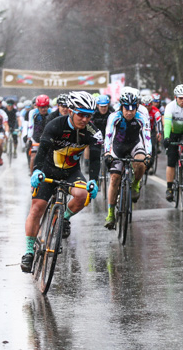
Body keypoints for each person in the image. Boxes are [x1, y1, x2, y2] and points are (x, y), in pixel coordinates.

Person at [20, 91, 102, 272]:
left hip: (71, 172)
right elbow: (41, 151)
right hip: (49, 169)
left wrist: (94, 181)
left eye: (89, 115)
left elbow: (95, 159)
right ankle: (28, 252)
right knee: (36, 208)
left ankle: (63, 219)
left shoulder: (94, 133)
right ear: (72, 111)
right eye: (81, 114)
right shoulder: (55, 125)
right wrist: (36, 171)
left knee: (82, 194)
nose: (85, 119)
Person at [102, 90, 150, 229]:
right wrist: (107, 153)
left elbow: (147, 138)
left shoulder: (142, 117)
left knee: (141, 163)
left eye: (132, 109)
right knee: (115, 178)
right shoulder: (114, 116)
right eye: (126, 109)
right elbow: (108, 136)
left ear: (137, 108)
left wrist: (149, 155)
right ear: (121, 107)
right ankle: (110, 214)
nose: (129, 113)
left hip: (135, 144)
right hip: (118, 147)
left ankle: (135, 183)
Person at [88, 94, 114, 182]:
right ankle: (95, 176)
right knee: (95, 154)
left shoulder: (112, 112)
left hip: (108, 135)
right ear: (97, 105)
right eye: (101, 106)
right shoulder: (93, 113)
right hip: (96, 134)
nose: (103, 108)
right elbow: (89, 126)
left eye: (105, 106)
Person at [25, 94, 52, 173]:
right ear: (37, 106)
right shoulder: (33, 113)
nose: (44, 109)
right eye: (41, 107)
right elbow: (30, 126)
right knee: (33, 157)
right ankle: (32, 176)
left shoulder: (51, 113)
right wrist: (29, 138)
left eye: (46, 107)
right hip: (36, 137)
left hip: (47, 137)